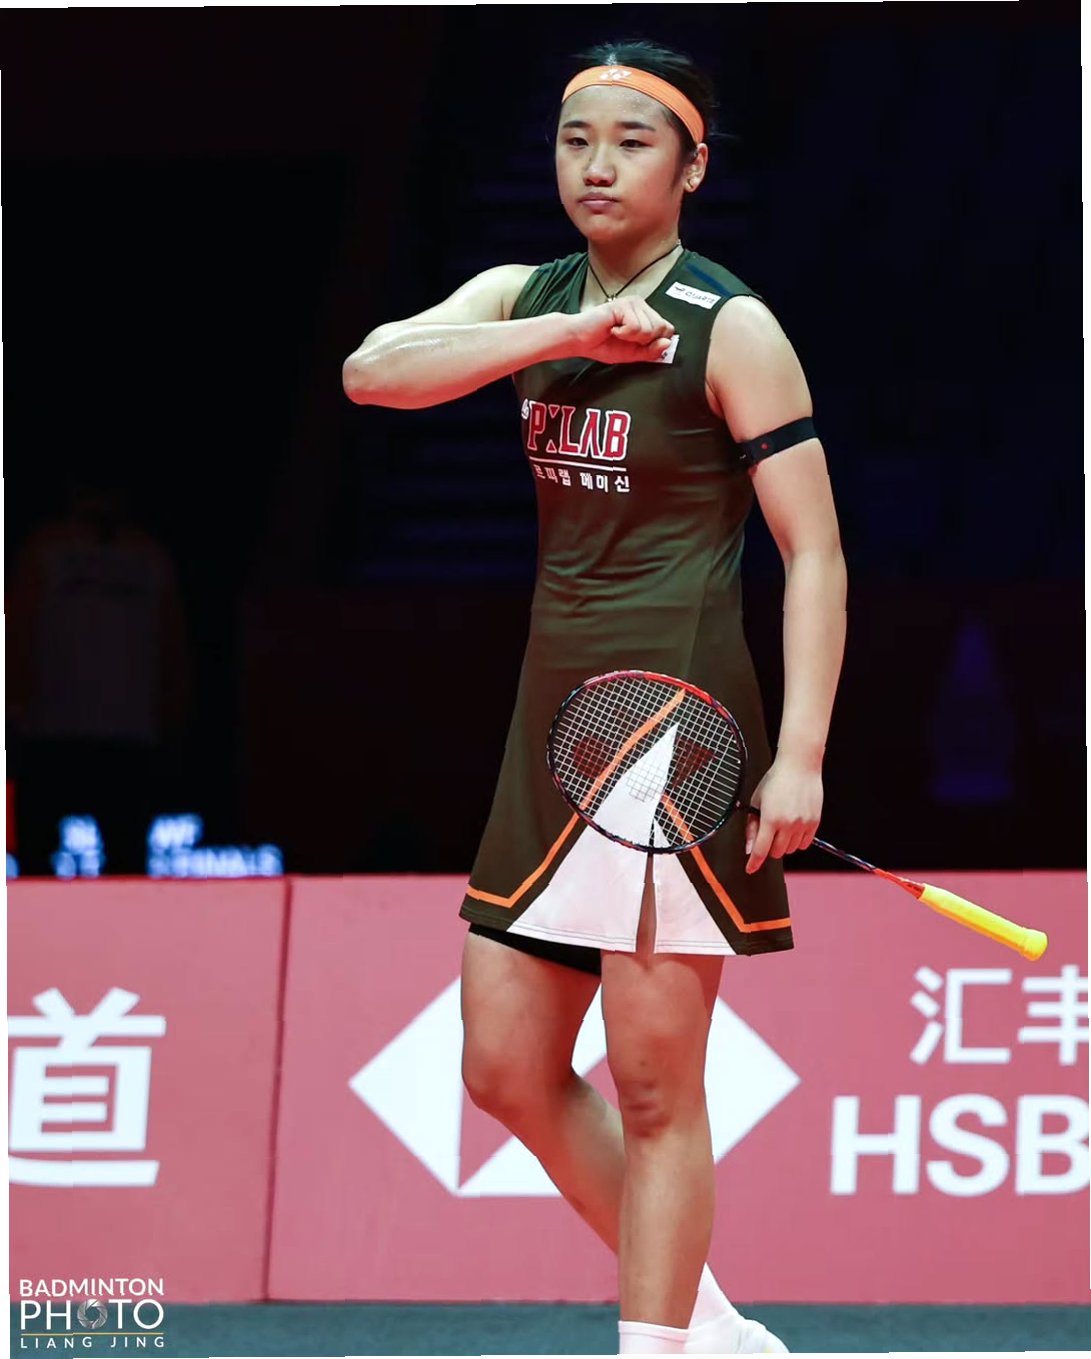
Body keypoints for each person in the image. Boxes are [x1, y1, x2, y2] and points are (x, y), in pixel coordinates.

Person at [343, 39, 847, 1357]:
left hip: (678, 719)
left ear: (693, 167)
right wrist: (569, 332)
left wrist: (800, 754)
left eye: (632, 141)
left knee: (655, 1081)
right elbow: (374, 370)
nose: (598, 165)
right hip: (552, 722)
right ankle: (715, 1323)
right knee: (504, 1066)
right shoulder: (531, 295)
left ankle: (659, 1346)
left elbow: (815, 553)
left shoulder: (735, 327)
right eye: (576, 140)